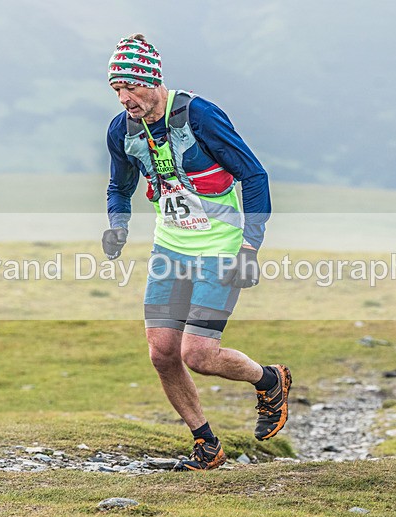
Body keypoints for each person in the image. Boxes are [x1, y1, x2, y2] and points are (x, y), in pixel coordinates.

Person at [102, 33, 291, 471]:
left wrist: (250, 246)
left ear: (153, 80)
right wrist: (118, 223)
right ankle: (206, 443)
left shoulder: (198, 115)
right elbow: (119, 185)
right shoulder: (122, 130)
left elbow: (254, 175)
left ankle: (269, 379)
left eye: (131, 87)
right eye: (116, 90)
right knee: (162, 352)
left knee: (199, 354)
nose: (125, 98)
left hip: (221, 248)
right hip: (170, 250)